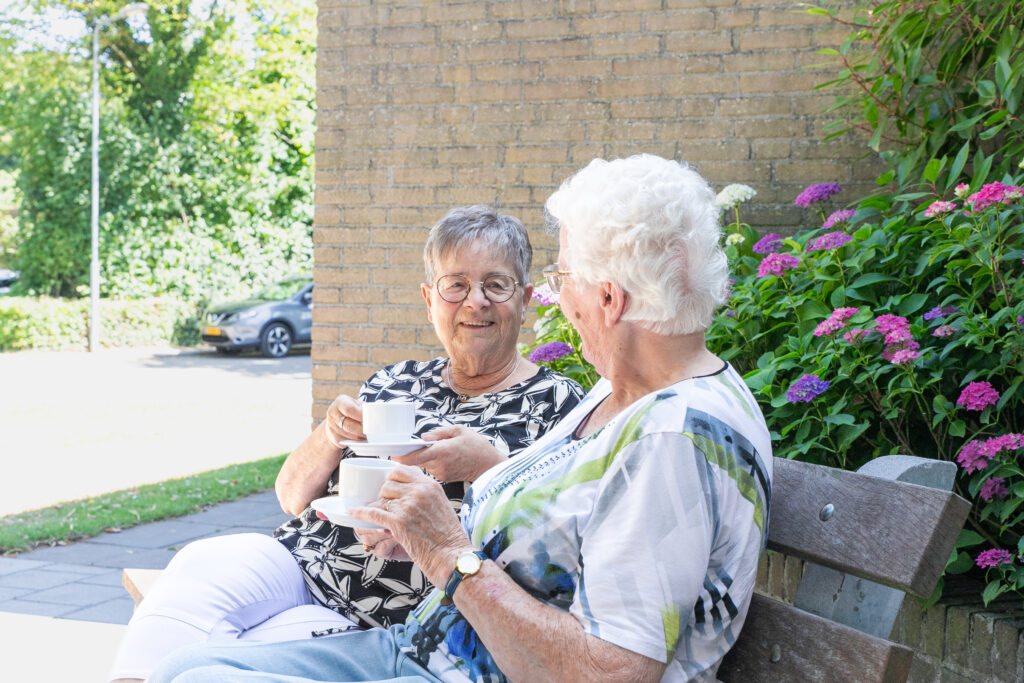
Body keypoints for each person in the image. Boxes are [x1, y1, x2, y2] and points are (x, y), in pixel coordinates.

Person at [150, 154, 774, 683]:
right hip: (423, 650)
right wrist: (422, 531)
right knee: (183, 666)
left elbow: (611, 672)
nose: (557, 297)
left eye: (562, 277)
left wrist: (448, 554)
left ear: (608, 298)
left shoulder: (673, 438)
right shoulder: (622, 394)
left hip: (452, 669)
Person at [109, 206, 586, 682]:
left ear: (525, 299)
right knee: (202, 563)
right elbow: (291, 496)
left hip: (390, 618)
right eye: (455, 284)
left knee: (196, 670)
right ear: (429, 300)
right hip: (301, 562)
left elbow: (562, 543)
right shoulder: (394, 380)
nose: (475, 301)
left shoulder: (561, 403)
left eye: (496, 285)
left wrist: (488, 466)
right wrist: (330, 433)